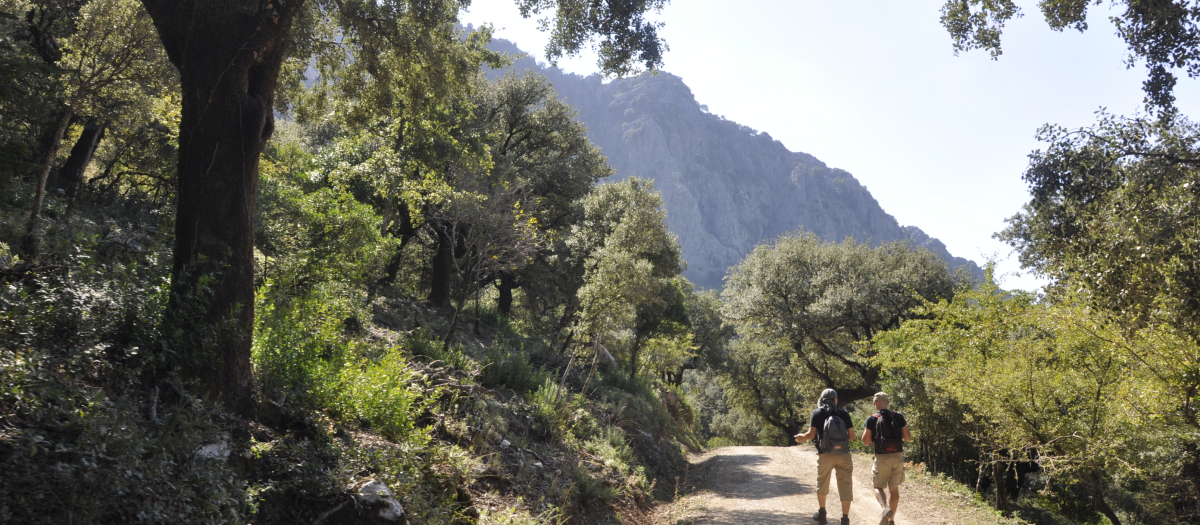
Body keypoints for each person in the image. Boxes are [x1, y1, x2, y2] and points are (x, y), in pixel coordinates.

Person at [794, 388, 855, 524]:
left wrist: (802, 437)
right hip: (843, 455)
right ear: (835, 399)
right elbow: (852, 437)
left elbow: (811, 435)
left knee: (822, 483)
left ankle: (822, 514)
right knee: (845, 485)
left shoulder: (817, 413)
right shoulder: (844, 413)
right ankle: (845, 518)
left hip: (825, 454)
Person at [861, 392, 912, 525]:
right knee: (894, 489)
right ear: (888, 403)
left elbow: (866, 442)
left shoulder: (871, 419)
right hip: (898, 456)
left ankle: (885, 509)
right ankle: (891, 520)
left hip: (881, 457)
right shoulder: (898, 417)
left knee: (877, 486)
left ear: (875, 403)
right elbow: (907, 438)